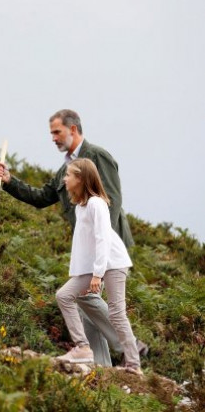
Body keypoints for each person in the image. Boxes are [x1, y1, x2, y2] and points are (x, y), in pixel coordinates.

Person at [0, 109, 146, 367]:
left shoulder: (97, 156)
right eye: (51, 133)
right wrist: (10, 181)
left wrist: (100, 247)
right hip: (90, 248)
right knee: (87, 309)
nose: (53, 138)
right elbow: (43, 196)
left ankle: (128, 346)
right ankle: (101, 368)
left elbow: (112, 202)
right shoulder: (66, 169)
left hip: (107, 246)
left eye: (57, 132)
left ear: (73, 129)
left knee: (86, 299)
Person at [54, 158, 142, 375]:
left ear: (81, 178)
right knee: (64, 295)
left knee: (116, 312)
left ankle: (134, 364)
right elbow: (84, 245)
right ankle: (83, 347)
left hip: (113, 263)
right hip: (95, 267)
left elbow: (103, 239)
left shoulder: (96, 204)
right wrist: (82, 274)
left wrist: (97, 275)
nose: (65, 179)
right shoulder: (81, 207)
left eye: (69, 175)